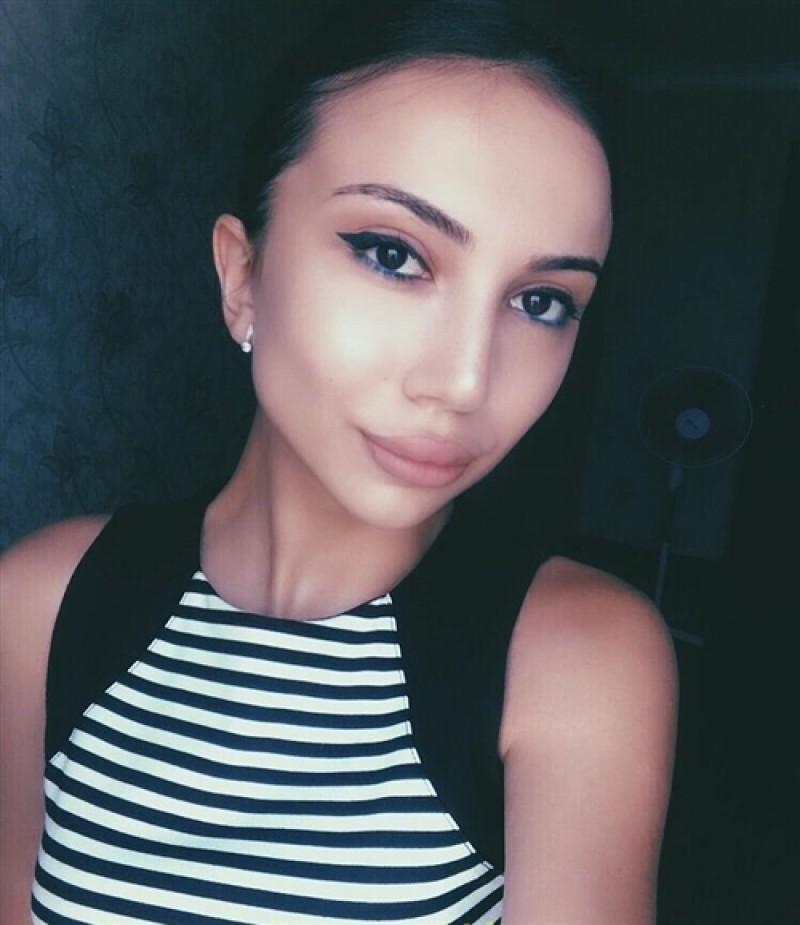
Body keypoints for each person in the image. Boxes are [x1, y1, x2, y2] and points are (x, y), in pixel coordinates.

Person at [0, 1, 677, 922]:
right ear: (243, 276)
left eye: (542, 301)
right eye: (394, 254)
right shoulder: (43, 600)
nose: (465, 381)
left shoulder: (575, 657)